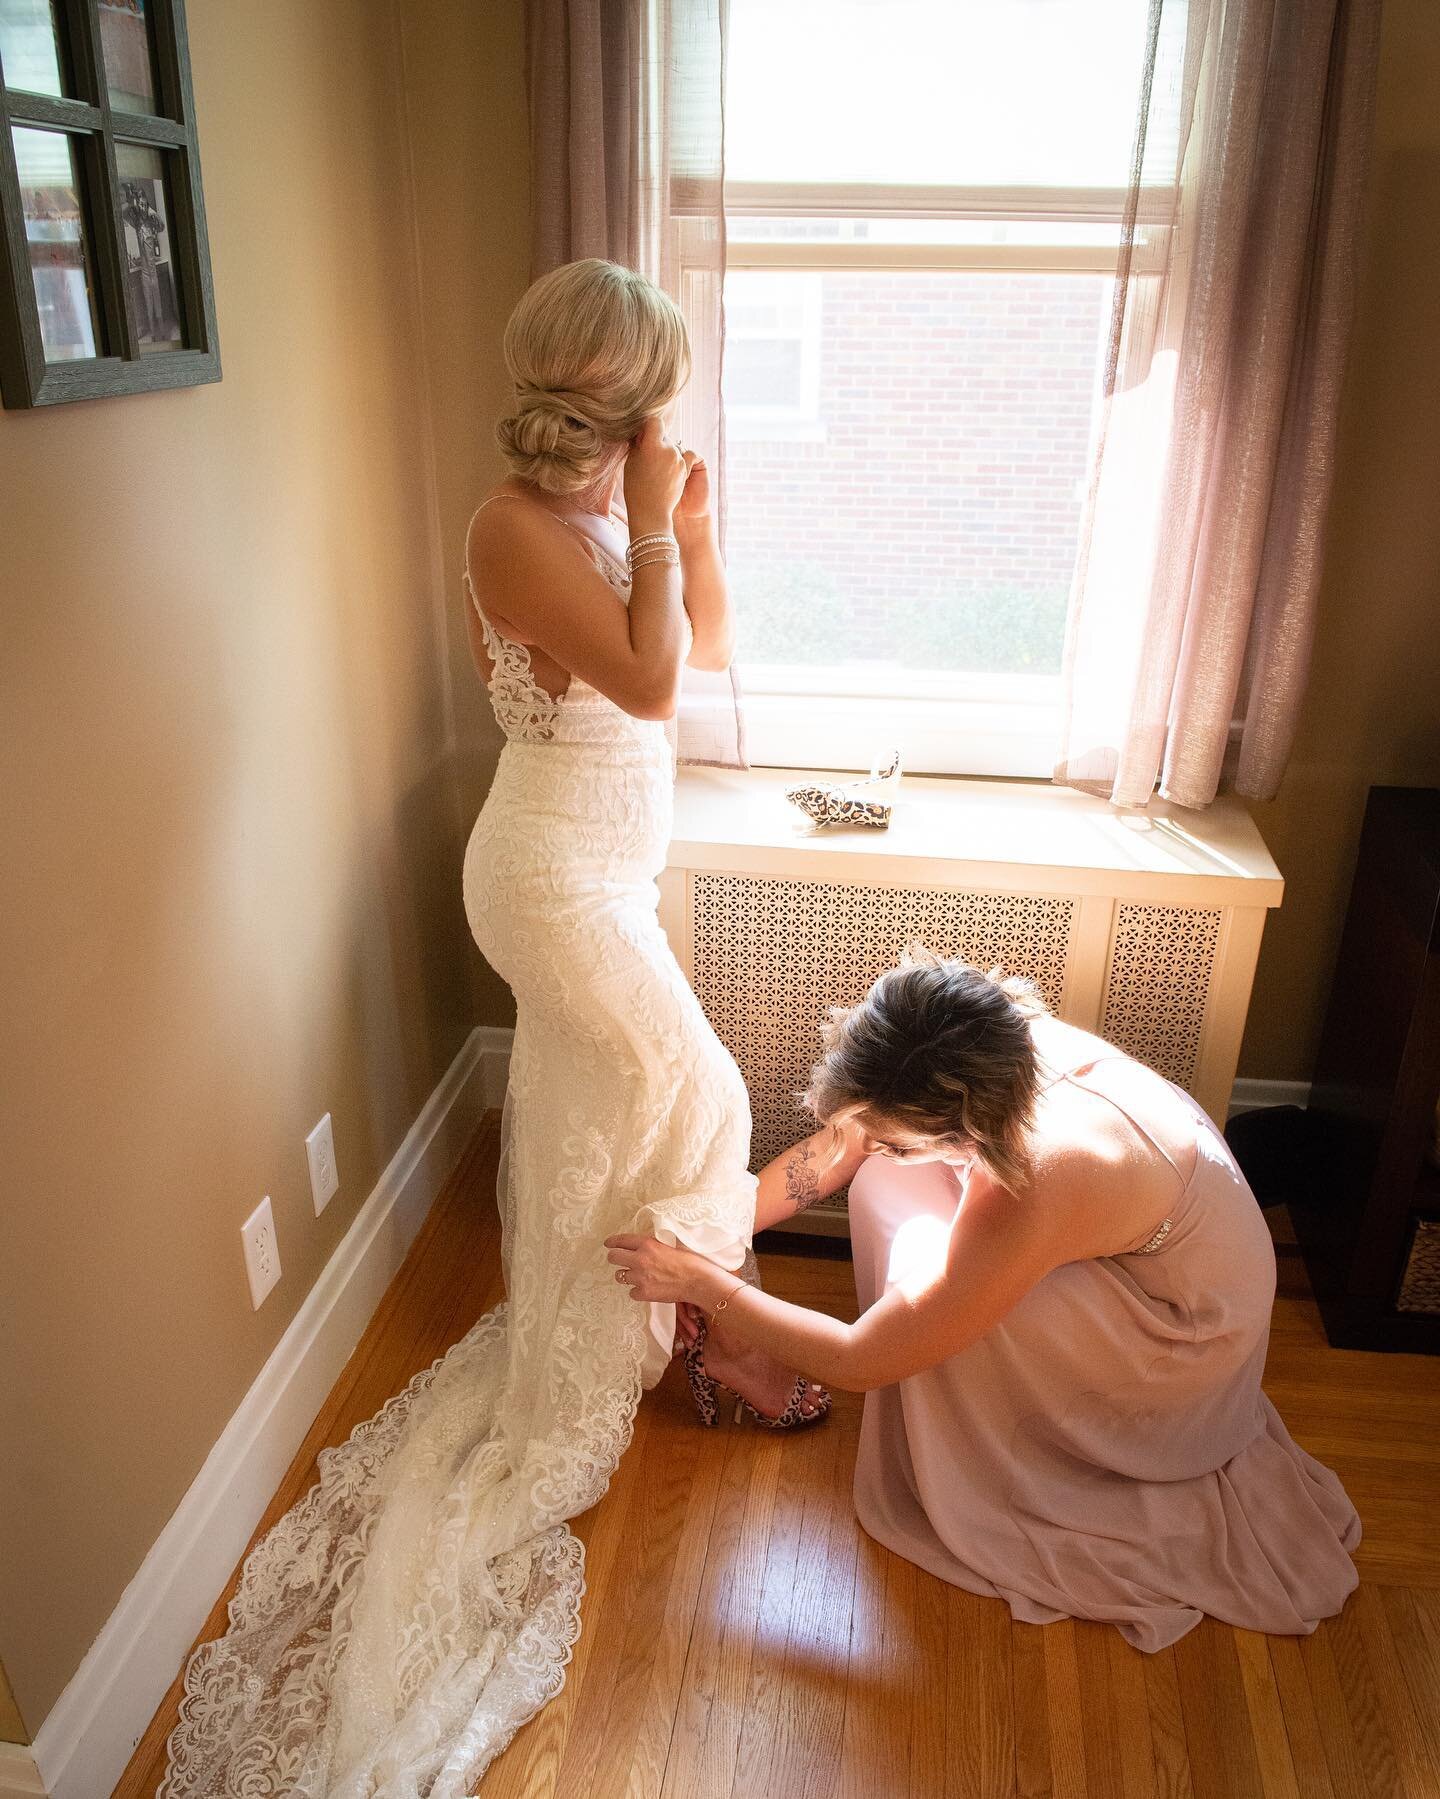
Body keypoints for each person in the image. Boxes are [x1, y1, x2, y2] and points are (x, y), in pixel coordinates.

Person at [161, 259, 825, 1799]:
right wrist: (656, 523)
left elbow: (704, 644)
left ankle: (643, 1330)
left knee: (611, 1121)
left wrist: (696, 523)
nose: (673, 407)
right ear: (617, 391)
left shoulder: (603, 512)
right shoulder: (511, 526)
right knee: (705, 1092)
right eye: (659, 381)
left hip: (604, 868)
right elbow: (655, 685)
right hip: (548, 882)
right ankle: (697, 1331)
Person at [608, 951, 1363, 1651]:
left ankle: (1004, 1443)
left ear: (958, 1126)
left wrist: (708, 1286)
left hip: (1179, 1329)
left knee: (933, 1291)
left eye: (896, 1136)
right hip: (1143, 1246)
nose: (874, 1142)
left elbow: (862, 1358)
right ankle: (935, 1345)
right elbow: (841, 1153)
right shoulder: (964, 1037)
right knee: (885, 1181)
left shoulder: (1040, 1175)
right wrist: (709, 1231)